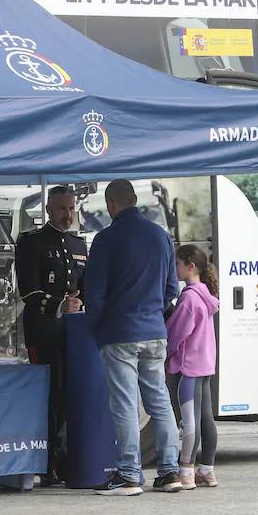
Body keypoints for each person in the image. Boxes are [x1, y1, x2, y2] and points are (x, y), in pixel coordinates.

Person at [85, 179, 183, 495]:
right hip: (155, 330)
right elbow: (171, 288)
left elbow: (95, 292)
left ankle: (128, 474)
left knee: (125, 403)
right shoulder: (161, 236)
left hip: (119, 333)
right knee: (160, 400)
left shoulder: (106, 239)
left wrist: (95, 326)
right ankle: (170, 472)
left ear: (112, 204)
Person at [14, 185, 87, 485]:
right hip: (44, 331)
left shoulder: (79, 245)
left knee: (72, 396)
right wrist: (60, 305)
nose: (67, 214)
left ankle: (69, 459)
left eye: (71, 208)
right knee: (50, 396)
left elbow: (86, 286)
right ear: (48, 209)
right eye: (61, 208)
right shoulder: (32, 242)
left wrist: (82, 303)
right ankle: (47, 462)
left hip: (76, 335)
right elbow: (29, 290)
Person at [165, 244, 219, 490]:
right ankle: (207, 470)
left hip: (187, 367)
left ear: (191, 266)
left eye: (177, 264)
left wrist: (163, 351)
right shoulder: (206, 294)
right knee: (206, 419)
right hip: (205, 366)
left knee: (190, 422)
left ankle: (185, 470)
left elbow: (176, 334)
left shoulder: (189, 298)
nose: (174, 269)